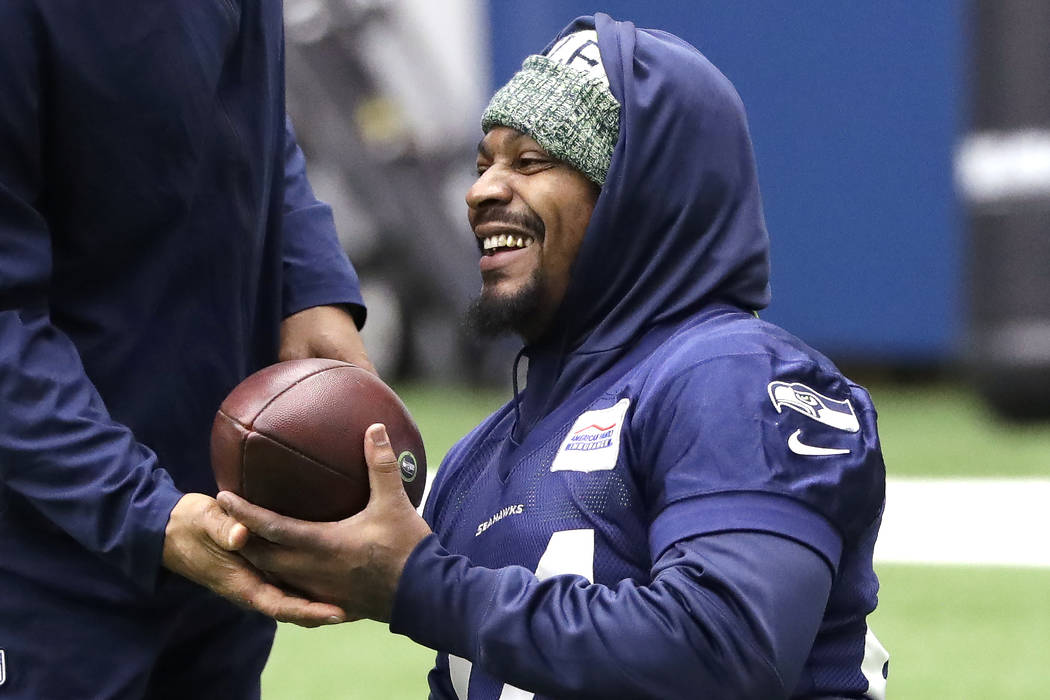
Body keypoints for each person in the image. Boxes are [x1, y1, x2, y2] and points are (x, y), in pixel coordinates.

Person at [219, 13, 890, 699]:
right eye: (483, 164)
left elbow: (725, 649)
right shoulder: (477, 459)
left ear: (640, 196)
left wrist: (420, 582)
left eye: (530, 161)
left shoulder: (734, 377)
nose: (480, 191)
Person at [0, 2, 362, 698]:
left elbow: (247, 112)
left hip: (214, 538)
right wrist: (146, 511)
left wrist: (307, 282)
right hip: (42, 563)